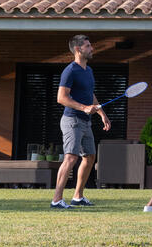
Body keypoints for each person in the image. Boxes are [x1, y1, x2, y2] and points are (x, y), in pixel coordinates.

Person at [51, 34, 111, 209]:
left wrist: (101, 113)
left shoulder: (88, 70)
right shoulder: (70, 70)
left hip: (86, 122)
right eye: (88, 46)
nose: (92, 49)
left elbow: (89, 95)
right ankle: (56, 200)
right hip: (72, 120)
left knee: (90, 157)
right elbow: (61, 98)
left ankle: (77, 196)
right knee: (70, 158)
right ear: (78, 49)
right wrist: (84, 108)